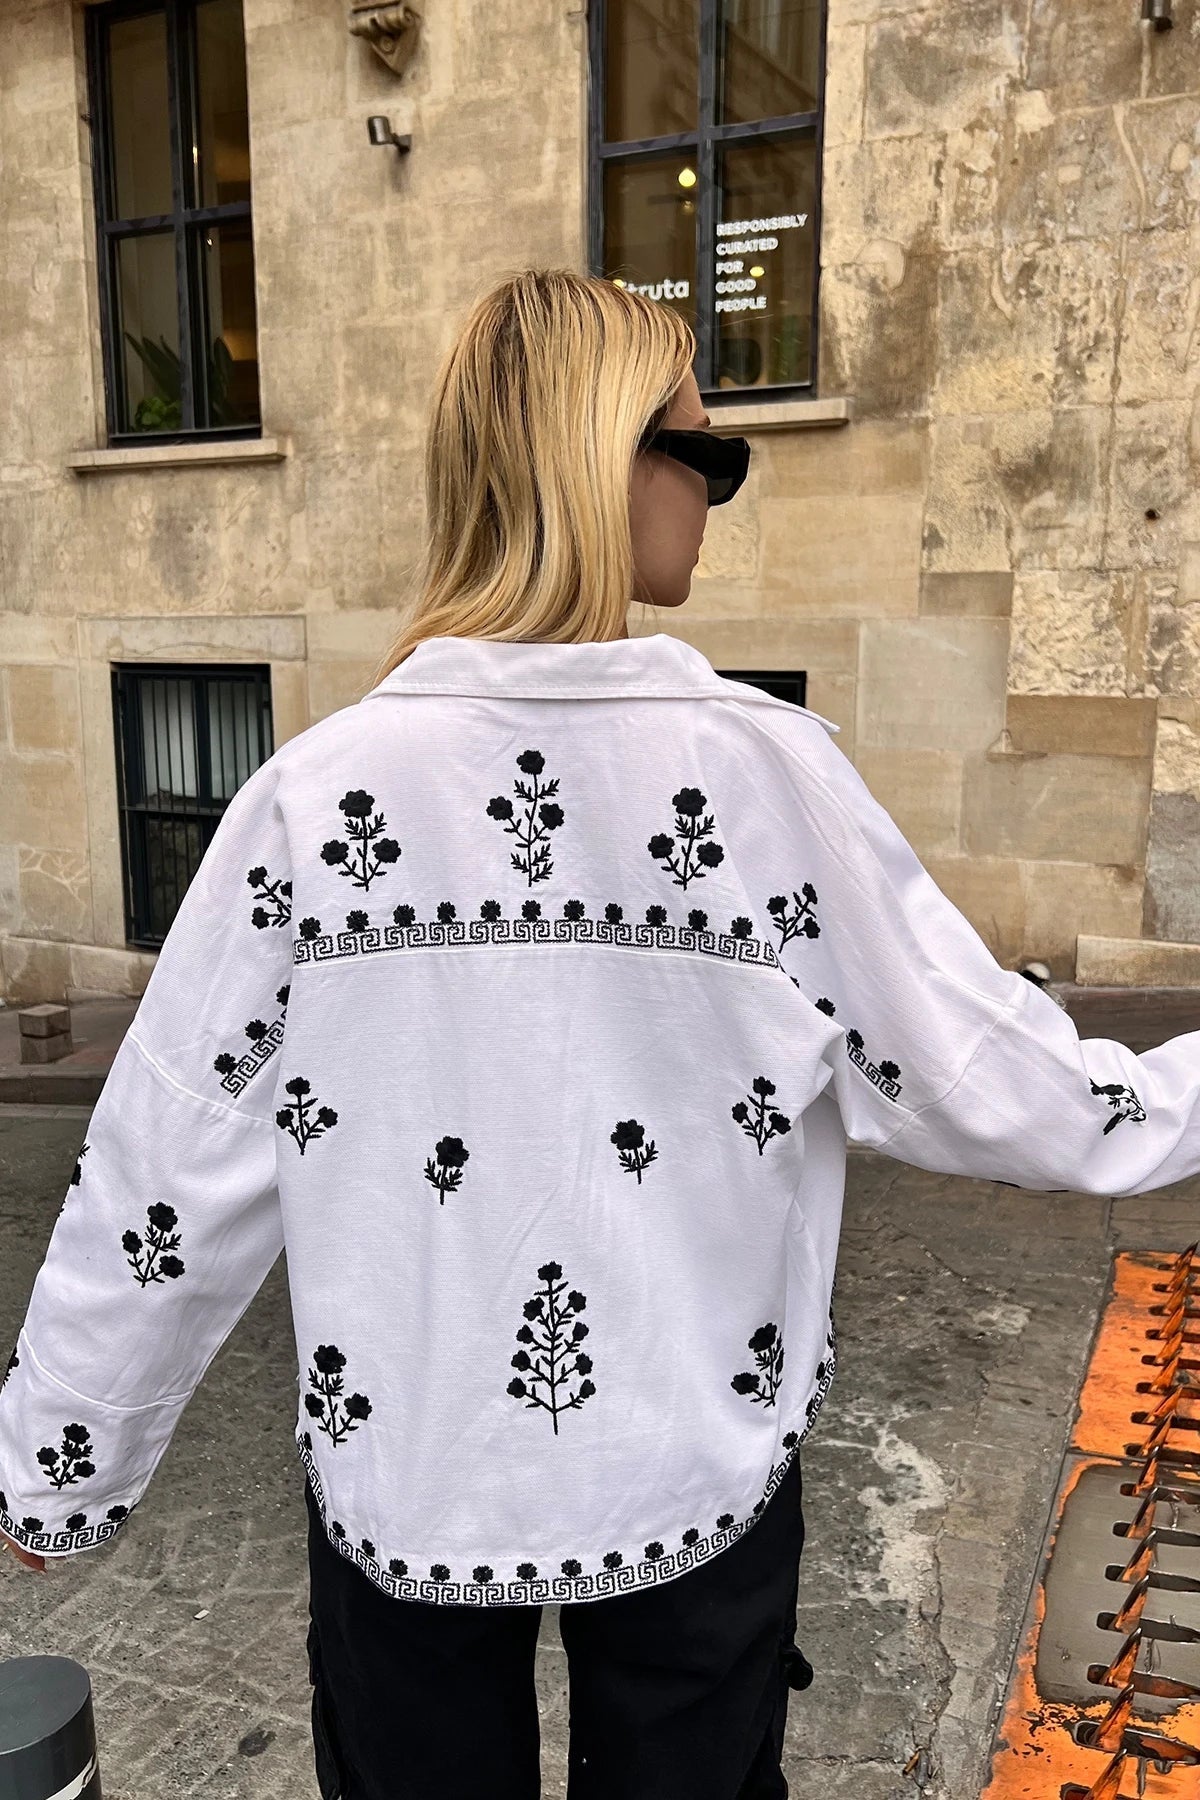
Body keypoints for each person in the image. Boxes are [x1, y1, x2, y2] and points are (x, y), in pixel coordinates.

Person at [1, 267, 1198, 1800]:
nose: (721, 491)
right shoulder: (763, 781)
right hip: (693, 1470)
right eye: (706, 451)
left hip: (410, 1476)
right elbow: (988, 1079)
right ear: (602, 462)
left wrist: (58, 1463)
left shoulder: (314, 800)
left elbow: (164, 1168)